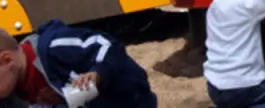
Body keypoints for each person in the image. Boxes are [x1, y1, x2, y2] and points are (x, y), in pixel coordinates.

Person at [0, 20, 156, 107]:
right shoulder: (11, 94)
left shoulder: (54, 47)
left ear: (7, 60)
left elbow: (108, 46)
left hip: (129, 100)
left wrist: (98, 73)